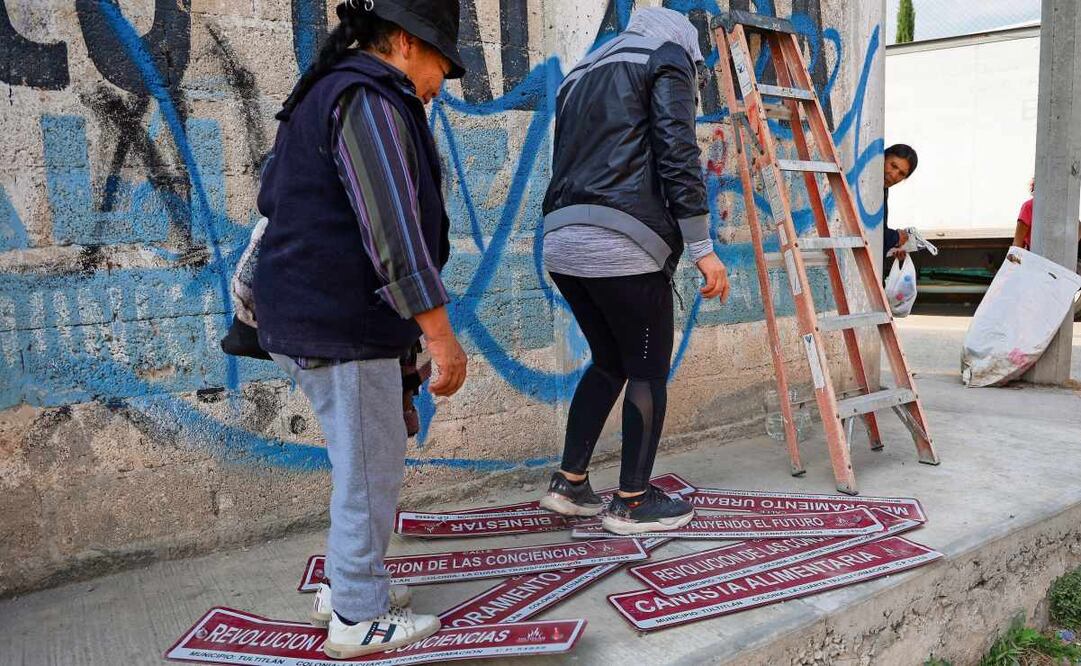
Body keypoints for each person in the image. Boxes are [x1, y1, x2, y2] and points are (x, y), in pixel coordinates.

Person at [252, 0, 468, 658]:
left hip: (318, 317)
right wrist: (438, 334)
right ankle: (357, 617)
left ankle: (347, 584)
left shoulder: (326, 90)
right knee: (370, 473)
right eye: (440, 63)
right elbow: (393, 234)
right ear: (405, 42)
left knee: (362, 464)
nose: (439, 83)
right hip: (340, 321)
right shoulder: (368, 98)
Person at [537, 8, 730, 536]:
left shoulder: (582, 70)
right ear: (687, 47)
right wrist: (702, 247)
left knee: (607, 362)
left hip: (561, 238)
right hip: (624, 243)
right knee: (646, 370)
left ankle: (570, 484)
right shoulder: (666, 57)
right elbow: (676, 151)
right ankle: (634, 502)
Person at [882, 143, 919, 264]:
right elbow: (870, 234)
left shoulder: (882, 190)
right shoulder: (867, 185)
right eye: (893, 166)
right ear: (883, 158)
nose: (893, 175)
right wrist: (896, 237)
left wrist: (895, 246)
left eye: (901, 174)